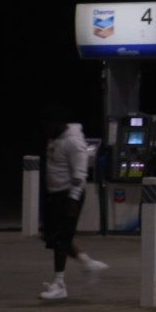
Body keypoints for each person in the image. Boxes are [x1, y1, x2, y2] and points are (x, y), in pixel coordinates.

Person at [40, 114, 109, 300]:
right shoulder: (55, 137)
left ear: (58, 124)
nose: (46, 131)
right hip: (54, 194)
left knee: (61, 239)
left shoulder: (73, 142)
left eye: (48, 126)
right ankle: (88, 264)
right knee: (52, 237)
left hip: (68, 196)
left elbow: (80, 173)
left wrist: (73, 200)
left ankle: (59, 283)